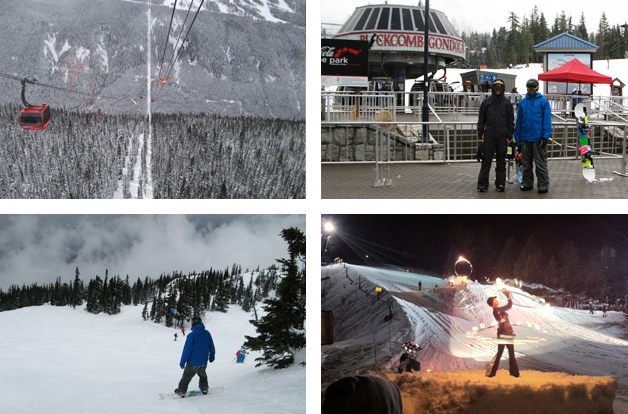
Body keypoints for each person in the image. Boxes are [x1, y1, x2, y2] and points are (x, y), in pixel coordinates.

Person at [514, 78, 552, 193]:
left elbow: (547, 120)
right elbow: (519, 121)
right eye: (529, 88)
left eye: (533, 88)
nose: (531, 90)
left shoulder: (543, 101)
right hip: (525, 138)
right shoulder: (522, 103)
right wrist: (518, 137)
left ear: (536, 88)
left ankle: (543, 184)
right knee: (526, 163)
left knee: (540, 163)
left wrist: (545, 136)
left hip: (538, 138)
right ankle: (527, 182)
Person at [477, 79, 514, 192]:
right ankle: (482, 184)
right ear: (493, 88)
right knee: (486, 161)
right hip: (489, 135)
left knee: (501, 161)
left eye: (500, 88)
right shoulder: (486, 102)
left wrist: (510, 135)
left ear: (502, 89)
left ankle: (500, 183)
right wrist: (480, 133)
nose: (498, 90)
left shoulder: (507, 103)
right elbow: (481, 120)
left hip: (502, 136)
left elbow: (510, 120)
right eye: (496, 88)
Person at [174, 316, 216, 397]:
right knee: (202, 374)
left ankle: (181, 391)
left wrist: (182, 362)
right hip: (203, 361)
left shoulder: (192, 336)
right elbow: (212, 346)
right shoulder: (207, 333)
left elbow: (187, 350)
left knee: (186, 377)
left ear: (193, 324)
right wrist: (212, 357)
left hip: (192, 362)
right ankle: (204, 388)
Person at [485, 291, 520, 378]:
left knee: (511, 353)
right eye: (495, 300)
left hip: (508, 333)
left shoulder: (499, 309)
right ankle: (491, 373)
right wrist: (504, 320)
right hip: (502, 334)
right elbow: (500, 321)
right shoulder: (496, 310)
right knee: (500, 353)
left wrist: (508, 297)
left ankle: (514, 373)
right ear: (492, 304)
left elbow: (509, 306)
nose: (497, 301)